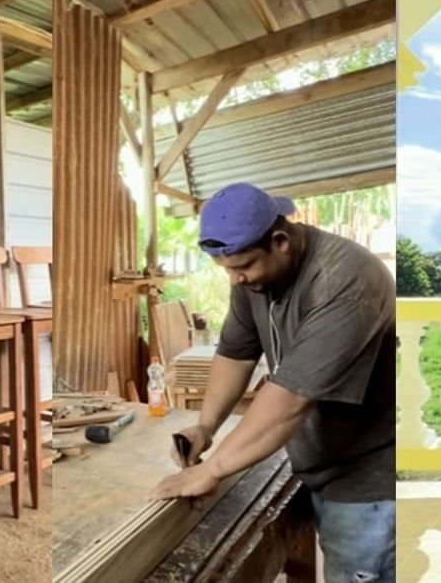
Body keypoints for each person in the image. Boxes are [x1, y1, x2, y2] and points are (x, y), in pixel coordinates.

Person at [148, 182, 396, 582]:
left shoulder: (346, 281)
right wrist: (204, 427)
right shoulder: (257, 277)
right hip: (317, 461)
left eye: (242, 267)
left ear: (279, 240)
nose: (235, 280)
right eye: (227, 270)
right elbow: (234, 353)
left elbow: (290, 401)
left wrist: (212, 470)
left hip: (369, 480)